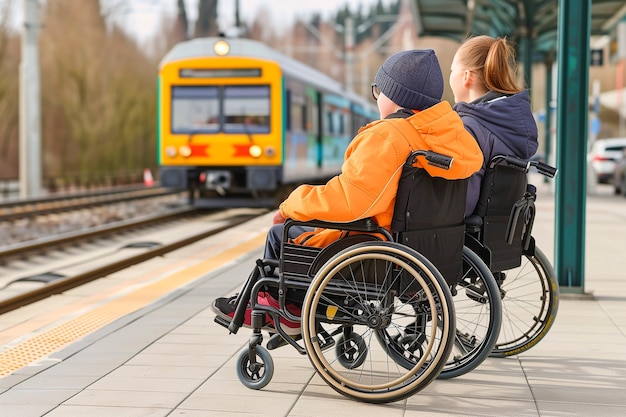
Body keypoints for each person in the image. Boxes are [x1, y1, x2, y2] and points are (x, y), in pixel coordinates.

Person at [212, 49, 484, 334]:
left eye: (379, 90)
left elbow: (351, 202)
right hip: (425, 247)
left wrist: (291, 204)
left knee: (281, 234)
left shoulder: (388, 137)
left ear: (395, 96)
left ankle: (287, 311)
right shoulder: (455, 141)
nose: (378, 98)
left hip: (372, 247)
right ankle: (283, 306)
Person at [448, 35, 539, 217]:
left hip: (466, 238)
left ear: (466, 76)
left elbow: (462, 205)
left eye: (452, 70)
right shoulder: (512, 125)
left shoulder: (468, 128)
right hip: (500, 237)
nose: (449, 76)